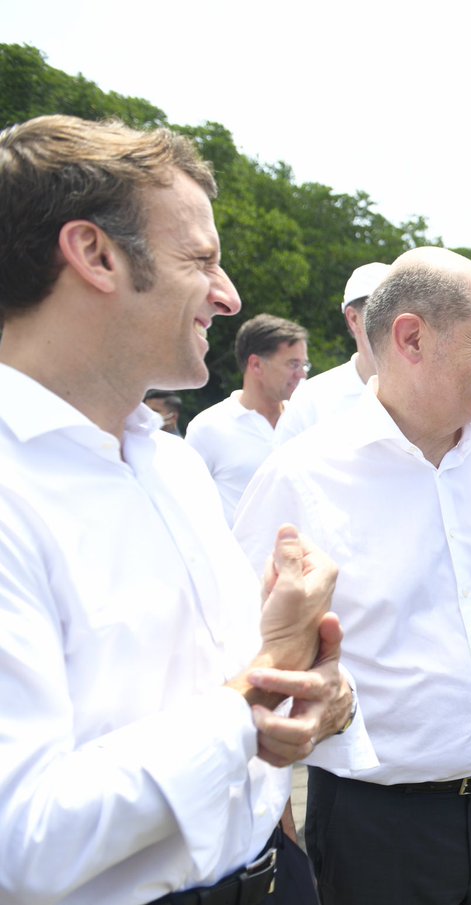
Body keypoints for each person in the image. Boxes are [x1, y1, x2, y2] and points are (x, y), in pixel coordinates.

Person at [0, 114, 363, 905]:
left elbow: (230, 689)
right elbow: (20, 840)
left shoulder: (173, 462)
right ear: (94, 254)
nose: (228, 296)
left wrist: (297, 666)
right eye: (201, 258)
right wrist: (252, 707)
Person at [234, 245, 471, 905]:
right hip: (377, 826)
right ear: (412, 337)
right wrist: (269, 813)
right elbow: (244, 649)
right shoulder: (301, 475)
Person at [186, 313, 309, 523]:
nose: (302, 375)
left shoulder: (307, 420)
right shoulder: (208, 428)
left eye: (304, 365)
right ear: (256, 365)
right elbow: (187, 506)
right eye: (293, 364)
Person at [274, 261, 388, 444]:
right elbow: (280, 470)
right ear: (353, 319)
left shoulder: (427, 393)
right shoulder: (311, 399)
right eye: (383, 311)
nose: (397, 324)